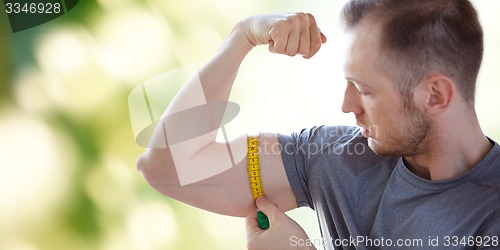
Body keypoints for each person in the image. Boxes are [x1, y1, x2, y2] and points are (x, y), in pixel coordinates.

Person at [136, 0, 500, 249]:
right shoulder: (335, 157)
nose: (346, 106)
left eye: (365, 90)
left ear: (435, 95)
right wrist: (243, 37)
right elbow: (167, 166)